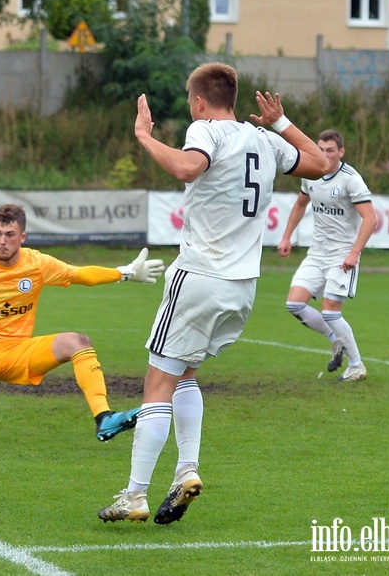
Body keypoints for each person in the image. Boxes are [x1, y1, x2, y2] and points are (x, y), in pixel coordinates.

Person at [97, 62, 331, 526]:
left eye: (191, 101)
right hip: (242, 288)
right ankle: (185, 470)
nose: (191, 108)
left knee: (156, 384)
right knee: (184, 375)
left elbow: (187, 168)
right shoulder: (264, 140)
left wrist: (145, 136)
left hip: (200, 276)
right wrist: (282, 121)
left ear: (200, 101)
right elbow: (322, 164)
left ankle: (135, 494)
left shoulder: (206, 130)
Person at [0, 203, 164, 442]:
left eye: (10, 235)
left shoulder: (37, 264)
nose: (2, 241)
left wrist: (125, 272)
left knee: (77, 342)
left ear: (22, 237)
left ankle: (104, 418)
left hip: (19, 352)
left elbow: (80, 274)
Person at [277, 129, 376, 383]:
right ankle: (336, 341)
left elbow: (370, 218)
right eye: (320, 149)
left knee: (331, 312)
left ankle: (356, 366)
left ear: (341, 152)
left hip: (342, 255)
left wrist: (355, 252)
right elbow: (301, 204)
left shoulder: (350, 179)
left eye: (330, 150)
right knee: (294, 304)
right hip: (317, 253)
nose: (325, 155)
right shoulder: (311, 175)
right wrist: (287, 236)